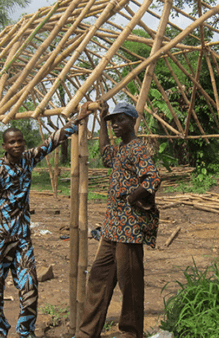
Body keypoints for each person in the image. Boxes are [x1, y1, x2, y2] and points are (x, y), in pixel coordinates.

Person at [0, 103, 91, 338]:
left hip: (22, 238)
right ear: (4, 146)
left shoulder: (28, 160)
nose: (17, 145)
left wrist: (76, 121)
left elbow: (52, 142)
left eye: (20, 141)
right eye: (12, 142)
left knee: (30, 286)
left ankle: (26, 331)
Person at [76, 102, 161, 338]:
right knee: (98, 278)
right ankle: (87, 331)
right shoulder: (121, 149)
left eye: (120, 120)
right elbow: (104, 152)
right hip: (112, 228)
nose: (115, 124)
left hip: (130, 228)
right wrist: (102, 121)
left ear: (132, 121)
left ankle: (131, 332)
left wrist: (132, 197)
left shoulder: (136, 148)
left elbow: (152, 178)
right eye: (113, 121)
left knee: (130, 283)